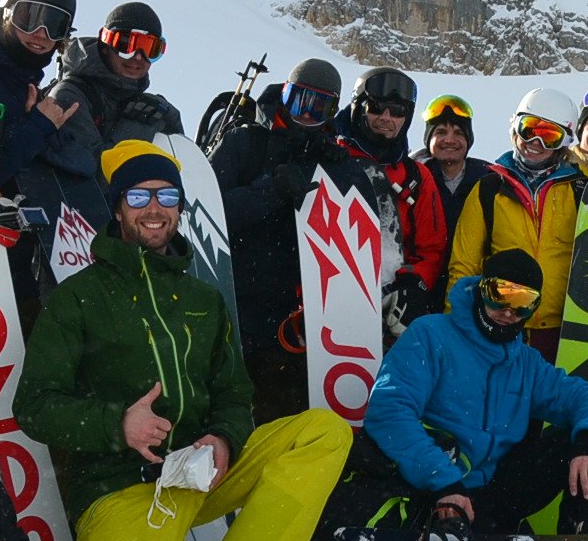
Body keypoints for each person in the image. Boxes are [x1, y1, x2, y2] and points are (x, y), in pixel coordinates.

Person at [13, 142, 351, 541]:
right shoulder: (78, 298)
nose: (154, 209)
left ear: (179, 208)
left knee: (323, 432)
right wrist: (118, 425)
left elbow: (235, 392)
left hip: (200, 474)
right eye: (139, 196)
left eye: (167, 196)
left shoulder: (202, 298)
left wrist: (224, 439)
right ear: (117, 206)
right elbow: (33, 406)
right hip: (120, 487)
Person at [358, 250, 588, 529]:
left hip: (491, 491)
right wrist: (443, 482)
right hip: (428, 486)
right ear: (482, 289)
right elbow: (388, 410)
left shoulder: (525, 362)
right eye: (499, 295)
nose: (508, 312)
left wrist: (587, 445)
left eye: (523, 303)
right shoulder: (430, 335)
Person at [210, 57, 380, 422]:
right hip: (237, 305)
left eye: (318, 107)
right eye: (298, 100)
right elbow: (212, 213)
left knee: (283, 413)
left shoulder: (331, 159)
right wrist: (270, 189)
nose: (305, 114)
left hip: (300, 319)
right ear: (283, 95)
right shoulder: (246, 143)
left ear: (333, 112)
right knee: (231, 409)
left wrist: (342, 171)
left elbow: (360, 234)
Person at [445, 88, 588, 359]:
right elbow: (464, 264)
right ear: (515, 128)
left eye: (549, 135)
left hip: (563, 332)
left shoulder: (580, 190)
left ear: (564, 141)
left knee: (553, 401)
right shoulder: (489, 188)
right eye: (528, 129)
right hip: (500, 323)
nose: (535, 141)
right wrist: (458, 326)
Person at [0, 0, 79, 327]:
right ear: (6, 12)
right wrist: (40, 126)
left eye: (56, 26)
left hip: (0, 242)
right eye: (29, 17)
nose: (41, 34)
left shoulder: (21, 78)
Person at [34, 1, 191, 229]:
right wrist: (135, 130)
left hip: (125, 229)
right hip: (73, 232)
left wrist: (168, 116)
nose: (138, 57)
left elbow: (175, 164)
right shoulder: (70, 96)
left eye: (150, 48)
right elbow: (96, 180)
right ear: (105, 43)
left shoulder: (141, 102)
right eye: (126, 44)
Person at [336, 67, 449, 339]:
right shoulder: (328, 158)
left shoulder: (416, 177)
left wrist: (414, 283)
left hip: (391, 303)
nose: (386, 118)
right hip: (330, 297)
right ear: (358, 108)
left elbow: (432, 248)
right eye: (376, 107)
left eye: (397, 111)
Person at [415, 94, 495, 258]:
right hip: (421, 279)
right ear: (428, 139)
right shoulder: (413, 180)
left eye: (459, 133)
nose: (449, 140)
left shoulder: (490, 181)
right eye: (441, 132)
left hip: (472, 278)